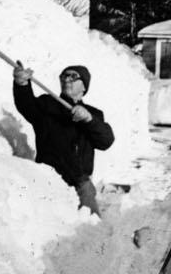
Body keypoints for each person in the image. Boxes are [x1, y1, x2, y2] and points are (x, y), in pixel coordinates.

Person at [12, 61, 115, 214]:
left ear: (84, 86)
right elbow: (27, 106)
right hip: (48, 178)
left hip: (81, 183)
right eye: (64, 76)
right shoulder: (47, 104)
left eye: (73, 76)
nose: (67, 79)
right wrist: (21, 84)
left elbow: (106, 141)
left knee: (90, 226)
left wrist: (89, 120)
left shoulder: (94, 114)